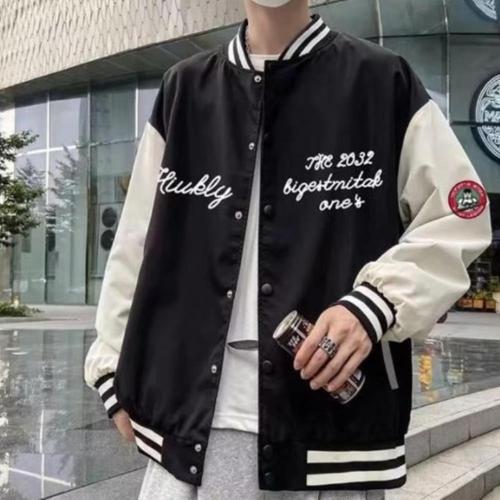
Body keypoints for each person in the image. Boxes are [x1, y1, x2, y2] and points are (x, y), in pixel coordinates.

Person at [83, 0, 493, 499]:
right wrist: (111, 366)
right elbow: (137, 242)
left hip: (331, 429)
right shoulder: (184, 89)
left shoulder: (381, 81)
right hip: (191, 424)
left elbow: (460, 214)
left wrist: (373, 305)